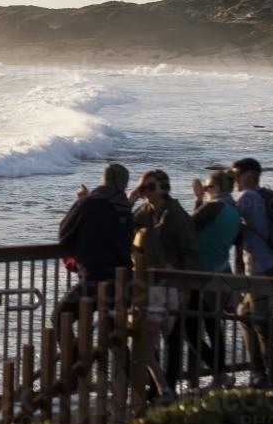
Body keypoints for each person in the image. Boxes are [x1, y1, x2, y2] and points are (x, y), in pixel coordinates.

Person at [129, 169, 197, 394]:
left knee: (173, 338)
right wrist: (131, 199)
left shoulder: (176, 214)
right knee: (151, 336)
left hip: (174, 281)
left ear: (163, 188)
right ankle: (156, 387)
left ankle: (169, 386)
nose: (145, 193)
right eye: (143, 189)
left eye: (149, 188)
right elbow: (125, 225)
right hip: (152, 281)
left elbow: (189, 252)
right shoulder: (146, 210)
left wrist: (185, 287)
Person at [53, 162, 134, 334]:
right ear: (124, 186)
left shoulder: (86, 204)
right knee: (113, 330)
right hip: (124, 286)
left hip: (92, 282)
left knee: (60, 317)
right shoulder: (125, 210)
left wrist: (83, 200)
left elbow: (64, 233)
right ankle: (125, 361)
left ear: (103, 179)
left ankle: (74, 359)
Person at [230, 157, 273, 389]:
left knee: (261, 322)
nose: (232, 182)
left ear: (248, 178)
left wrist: (205, 195)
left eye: (234, 177)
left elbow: (224, 213)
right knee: (246, 312)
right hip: (271, 265)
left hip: (263, 269)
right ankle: (260, 372)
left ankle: (270, 378)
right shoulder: (261, 196)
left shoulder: (248, 197)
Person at [186, 170, 241, 386]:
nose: (207, 192)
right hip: (222, 271)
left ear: (216, 188)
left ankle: (220, 372)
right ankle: (220, 375)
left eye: (208, 188)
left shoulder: (214, 206)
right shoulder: (233, 210)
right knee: (212, 326)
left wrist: (198, 200)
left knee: (189, 328)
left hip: (203, 274)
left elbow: (188, 227)